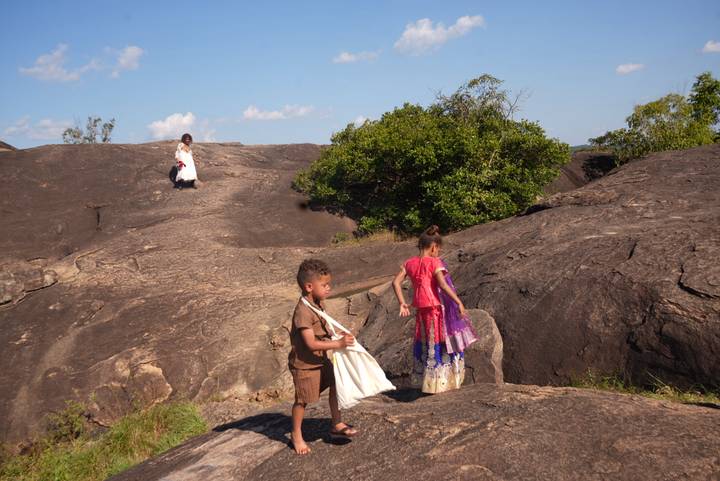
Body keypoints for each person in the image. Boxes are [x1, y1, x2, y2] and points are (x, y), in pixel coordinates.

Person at [288, 258, 358, 455]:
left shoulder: (317, 303)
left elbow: (325, 327)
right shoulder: (302, 311)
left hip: (320, 360)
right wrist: (338, 344)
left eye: (329, 284)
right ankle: (296, 434)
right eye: (324, 284)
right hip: (305, 364)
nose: (329, 288)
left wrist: (338, 335)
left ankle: (336, 423)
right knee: (302, 399)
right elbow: (310, 344)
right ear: (309, 286)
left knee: (336, 382)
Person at [392, 225, 469, 394]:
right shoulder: (434, 262)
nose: (438, 253)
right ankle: (441, 382)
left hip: (420, 309)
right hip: (435, 307)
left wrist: (402, 302)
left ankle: (428, 381)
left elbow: (395, 282)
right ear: (434, 247)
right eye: (438, 249)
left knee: (427, 342)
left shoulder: (409, 263)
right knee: (441, 341)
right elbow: (442, 284)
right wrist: (458, 302)